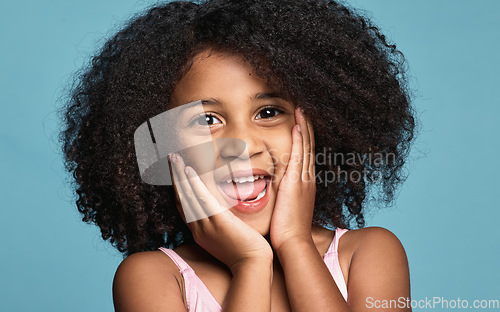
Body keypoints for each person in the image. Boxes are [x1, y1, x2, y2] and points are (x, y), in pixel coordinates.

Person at [59, 0, 416, 311]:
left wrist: (295, 244)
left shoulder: (368, 254)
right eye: (207, 119)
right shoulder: (153, 278)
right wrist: (250, 264)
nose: (242, 145)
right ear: (163, 144)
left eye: (268, 112)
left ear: (318, 121)